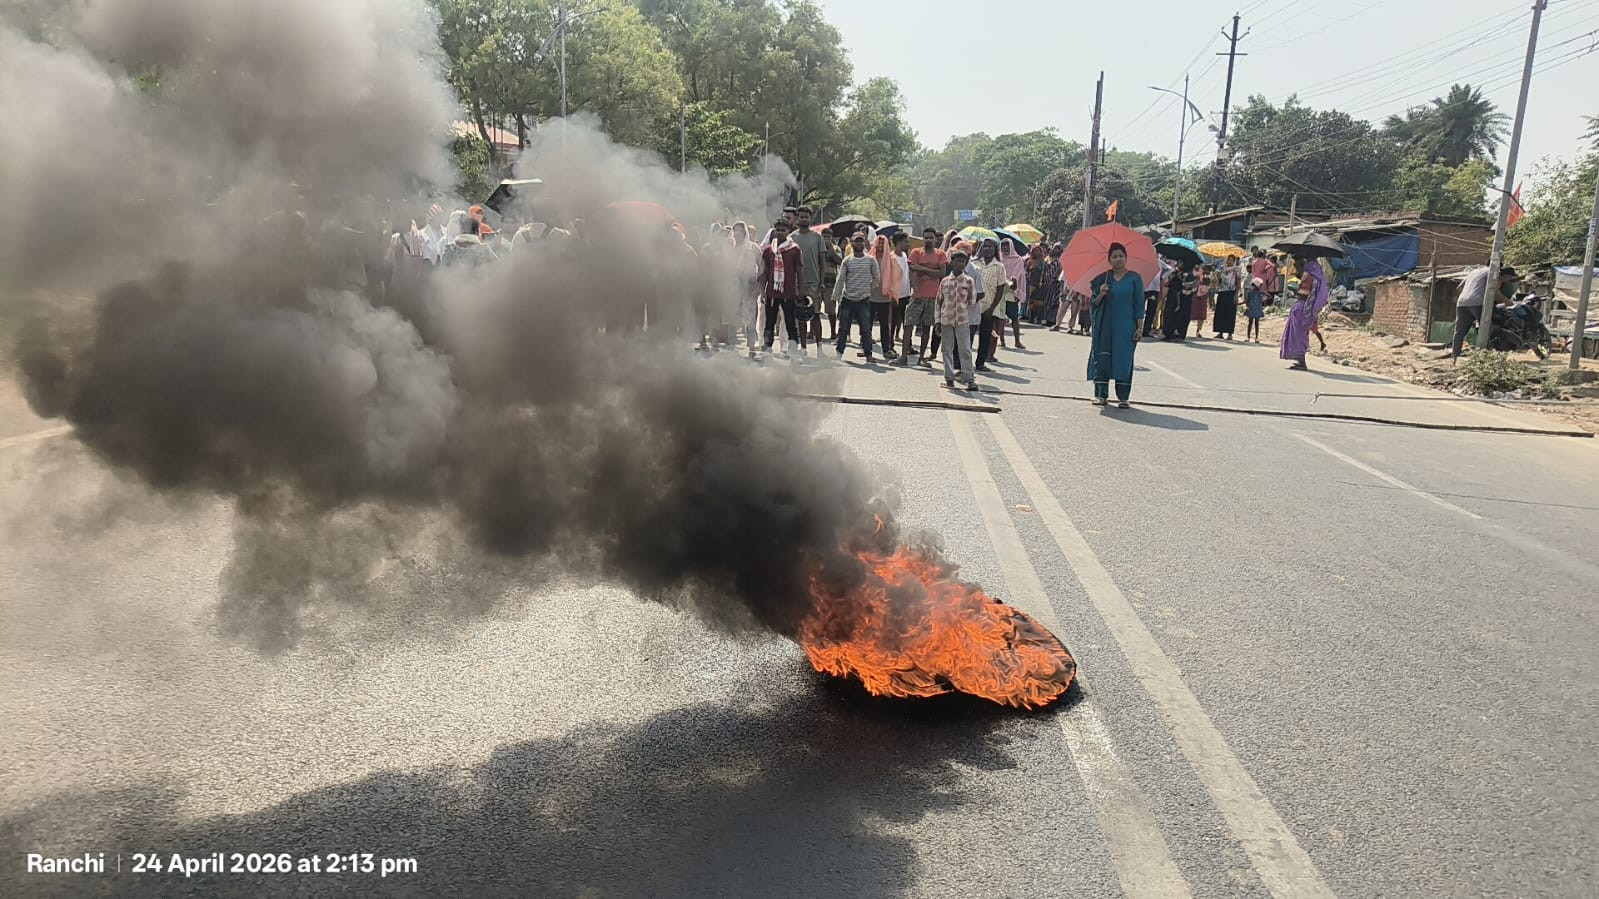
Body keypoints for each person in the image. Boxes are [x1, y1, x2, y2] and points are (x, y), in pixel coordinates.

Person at [1087, 242, 1145, 409]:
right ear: (1109, 259)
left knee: (1124, 359)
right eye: (1114, 256)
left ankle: (1123, 397)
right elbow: (1093, 303)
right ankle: (1100, 395)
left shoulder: (1135, 278)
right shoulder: (1103, 279)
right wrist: (1101, 294)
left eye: (1121, 256)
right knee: (1102, 357)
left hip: (1126, 327)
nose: (1118, 259)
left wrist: (1139, 328)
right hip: (1105, 326)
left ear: (1126, 258)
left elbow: (1139, 305)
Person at [1450, 265, 1520, 360]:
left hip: (1462, 302)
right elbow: (1494, 292)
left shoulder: (1473, 272)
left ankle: (1455, 356)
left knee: (1459, 332)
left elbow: (1459, 288)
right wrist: (1509, 303)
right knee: (1487, 330)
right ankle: (1483, 356)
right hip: (1478, 303)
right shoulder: (1491, 272)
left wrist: (1470, 293)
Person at [831, 232, 880, 362]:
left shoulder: (870, 260)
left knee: (865, 329)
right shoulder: (847, 261)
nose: (858, 243)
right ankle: (839, 354)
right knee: (843, 329)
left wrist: (868, 289)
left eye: (861, 241)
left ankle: (868, 355)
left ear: (864, 243)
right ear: (851, 243)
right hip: (847, 299)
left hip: (863, 300)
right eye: (856, 241)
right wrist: (835, 296)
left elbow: (876, 278)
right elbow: (840, 279)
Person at [759, 219, 805, 356]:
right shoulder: (768, 250)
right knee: (769, 323)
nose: (780, 232)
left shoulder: (794, 249)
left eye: (783, 230)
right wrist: (762, 292)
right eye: (778, 230)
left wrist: (800, 291)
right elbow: (764, 272)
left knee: (791, 323)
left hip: (789, 293)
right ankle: (767, 349)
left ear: (788, 231)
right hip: (772, 293)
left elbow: (799, 271)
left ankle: (793, 352)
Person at [937, 246, 979, 391]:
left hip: (962, 320)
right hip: (946, 320)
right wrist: (937, 321)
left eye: (963, 261)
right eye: (957, 261)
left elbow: (971, 301)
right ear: (952, 262)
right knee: (946, 350)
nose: (960, 264)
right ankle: (949, 378)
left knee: (965, 350)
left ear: (966, 263)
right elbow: (939, 302)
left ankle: (969, 379)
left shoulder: (968, 281)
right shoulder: (944, 282)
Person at [1279, 253, 1330, 370]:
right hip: (1304, 309)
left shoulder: (1308, 277)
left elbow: (1303, 289)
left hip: (1302, 308)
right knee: (1300, 335)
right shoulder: (1317, 279)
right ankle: (1300, 360)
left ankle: (1301, 361)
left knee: (1299, 336)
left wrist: (1298, 262)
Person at [905, 227, 948, 366]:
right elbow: (911, 272)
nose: (928, 240)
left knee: (927, 327)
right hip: (917, 295)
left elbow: (942, 273)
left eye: (931, 237)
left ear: (935, 239)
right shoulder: (916, 252)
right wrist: (916, 290)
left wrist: (922, 269)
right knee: (908, 325)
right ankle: (903, 356)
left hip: (933, 296)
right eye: (926, 237)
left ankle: (922, 358)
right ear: (922, 238)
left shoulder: (941, 254)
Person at [790, 207, 829, 345]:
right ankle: (804, 348)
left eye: (806, 217)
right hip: (797, 283)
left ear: (810, 219)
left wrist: (822, 282)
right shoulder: (792, 238)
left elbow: (822, 262)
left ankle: (819, 347)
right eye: (801, 217)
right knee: (801, 316)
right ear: (797, 219)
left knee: (816, 316)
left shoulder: (817, 237)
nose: (804, 219)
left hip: (814, 283)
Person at [867, 234, 905, 360]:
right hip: (870, 297)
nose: (880, 247)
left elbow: (898, 276)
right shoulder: (869, 258)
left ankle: (886, 349)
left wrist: (892, 292)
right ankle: (866, 349)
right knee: (867, 325)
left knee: (885, 325)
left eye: (883, 244)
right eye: (879, 243)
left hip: (884, 298)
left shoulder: (891, 260)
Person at [973, 238, 1008, 370]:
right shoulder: (974, 263)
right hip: (974, 305)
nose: (987, 249)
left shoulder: (999, 267)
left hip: (989, 307)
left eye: (991, 247)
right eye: (985, 246)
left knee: (985, 336)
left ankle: (980, 363)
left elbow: (1000, 289)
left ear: (995, 250)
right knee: (968, 335)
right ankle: (963, 363)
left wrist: (992, 308)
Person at [1162, 260, 1197, 340]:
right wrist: (1173, 276)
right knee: (1169, 313)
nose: (1178, 264)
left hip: (1183, 299)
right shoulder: (1174, 272)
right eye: (1178, 262)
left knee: (1181, 316)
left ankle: (1178, 333)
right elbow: (1166, 283)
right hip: (1172, 296)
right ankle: (1168, 333)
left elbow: (1191, 287)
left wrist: (1182, 278)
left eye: (1181, 262)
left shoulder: (1189, 274)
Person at [1213, 254, 1241, 340]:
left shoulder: (1236, 270)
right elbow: (1219, 281)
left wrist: (1236, 294)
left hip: (1231, 293)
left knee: (1230, 314)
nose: (1230, 261)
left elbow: (1238, 283)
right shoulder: (1222, 269)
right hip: (1222, 292)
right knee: (1221, 313)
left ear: (1234, 261)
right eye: (1228, 260)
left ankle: (1229, 334)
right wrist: (1218, 278)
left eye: (1232, 260)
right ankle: (1220, 332)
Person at [1144, 257, 1170, 338]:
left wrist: (1162, 277)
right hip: (1143, 288)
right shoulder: (1144, 260)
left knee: (1151, 311)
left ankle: (1146, 330)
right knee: (1139, 310)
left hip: (1154, 289)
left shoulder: (1159, 262)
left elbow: (1169, 269)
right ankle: (1138, 328)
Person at [1192, 264, 1212, 338]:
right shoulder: (1198, 274)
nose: (1207, 271)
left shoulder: (1209, 277)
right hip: (1196, 294)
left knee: (1201, 314)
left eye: (1208, 269)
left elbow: (1208, 283)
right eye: (1205, 269)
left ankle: (1198, 330)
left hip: (1204, 295)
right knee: (1192, 311)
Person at [1244, 276, 1266, 343]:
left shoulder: (1260, 293)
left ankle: (1256, 337)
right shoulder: (1250, 292)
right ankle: (1248, 337)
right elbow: (1247, 300)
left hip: (1257, 308)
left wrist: (1264, 297)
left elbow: (1268, 297)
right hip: (1252, 308)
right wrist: (1247, 305)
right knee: (1250, 323)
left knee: (1256, 323)